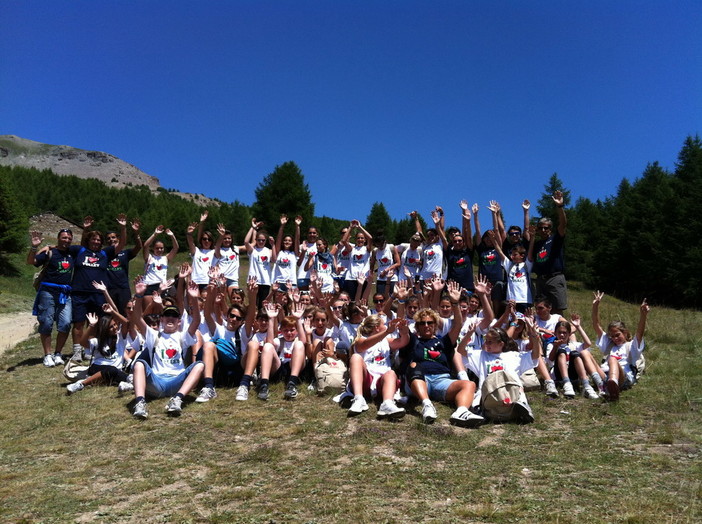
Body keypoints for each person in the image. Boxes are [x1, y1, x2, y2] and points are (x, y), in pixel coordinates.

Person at [399, 281, 484, 427]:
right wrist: (401, 301)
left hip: (441, 380)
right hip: (419, 380)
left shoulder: (443, 341)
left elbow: (457, 325)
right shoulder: (412, 340)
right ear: (417, 326)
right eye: (422, 323)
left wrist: (455, 303)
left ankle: (461, 411)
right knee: (413, 365)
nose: (426, 325)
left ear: (435, 325)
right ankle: (427, 405)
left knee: (469, 384)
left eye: (430, 322)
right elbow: (400, 324)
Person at [129, 277, 205, 419]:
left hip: (177, 381)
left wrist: (194, 299)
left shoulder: (183, 336)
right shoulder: (153, 335)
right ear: (161, 319)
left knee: (199, 365)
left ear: (179, 321)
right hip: (157, 381)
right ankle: (140, 403)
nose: (170, 318)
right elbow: (138, 318)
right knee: (139, 363)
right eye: (167, 315)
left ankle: (178, 399)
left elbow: (196, 321)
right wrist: (139, 295)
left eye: (174, 316)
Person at [68, 215, 125, 362]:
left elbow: (121, 244)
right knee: (79, 322)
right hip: (79, 292)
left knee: (95, 323)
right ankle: (76, 350)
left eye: (99, 240)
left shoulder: (105, 254)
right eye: (93, 239)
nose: (96, 241)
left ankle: (89, 349)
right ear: (89, 240)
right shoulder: (80, 251)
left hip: (97, 294)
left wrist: (123, 227)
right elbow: (62, 247)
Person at [460, 325, 541, 423]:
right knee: (482, 390)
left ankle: (522, 406)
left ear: (501, 344)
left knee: (518, 386)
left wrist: (534, 337)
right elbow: (460, 350)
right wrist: (469, 334)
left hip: (510, 393)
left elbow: (535, 356)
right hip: (489, 393)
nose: (486, 344)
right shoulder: (481, 355)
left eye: (490, 342)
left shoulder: (513, 356)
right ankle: (478, 410)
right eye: (486, 340)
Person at [27, 228, 75, 366]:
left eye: (69, 238)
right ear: (58, 238)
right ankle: (47, 355)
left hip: (65, 294)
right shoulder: (50, 253)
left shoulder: (72, 253)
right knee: (47, 323)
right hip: (47, 292)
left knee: (65, 323)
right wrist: (34, 247)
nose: (66, 240)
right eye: (64, 237)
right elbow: (32, 261)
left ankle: (58, 353)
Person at [346, 316, 408, 419]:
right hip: (366, 381)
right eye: (383, 324)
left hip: (382, 382)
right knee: (355, 357)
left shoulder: (386, 341)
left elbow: (403, 342)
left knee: (391, 373)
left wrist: (404, 331)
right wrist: (387, 331)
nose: (386, 326)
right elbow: (365, 344)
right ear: (376, 327)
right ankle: (358, 399)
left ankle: (387, 403)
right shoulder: (361, 340)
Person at [592, 292, 650, 401]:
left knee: (612, 359)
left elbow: (639, 333)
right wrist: (595, 306)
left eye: (618, 335)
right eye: (612, 336)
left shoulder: (630, 346)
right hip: (605, 375)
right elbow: (596, 325)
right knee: (586, 354)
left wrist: (643, 315)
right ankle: (599, 384)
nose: (615, 338)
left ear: (625, 333)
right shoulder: (609, 346)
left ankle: (613, 385)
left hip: (623, 377)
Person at [546, 315, 600, 399]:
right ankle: (566, 383)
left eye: (564, 333)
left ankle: (586, 385)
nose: (562, 335)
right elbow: (550, 362)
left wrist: (578, 327)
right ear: (555, 333)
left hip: (573, 374)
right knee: (561, 352)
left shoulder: (573, 345)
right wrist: (556, 347)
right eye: (559, 332)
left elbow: (588, 343)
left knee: (575, 354)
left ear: (569, 333)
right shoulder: (551, 345)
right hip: (559, 375)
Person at [532, 190, 568, 315]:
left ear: (550, 229)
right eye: (540, 227)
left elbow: (563, 224)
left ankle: (561, 334)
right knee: (541, 310)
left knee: (557, 311)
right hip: (540, 280)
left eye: (546, 227)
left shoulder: (555, 239)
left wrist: (559, 206)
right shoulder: (537, 244)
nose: (543, 230)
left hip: (554, 278)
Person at [489, 226, 536, 312]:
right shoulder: (509, 265)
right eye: (511, 254)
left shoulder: (526, 265)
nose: (511, 256)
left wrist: (532, 238)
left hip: (525, 300)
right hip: (511, 301)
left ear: (522, 256)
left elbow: (530, 252)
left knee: (524, 323)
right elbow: (500, 251)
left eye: (515, 255)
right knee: (511, 322)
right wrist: (493, 240)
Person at [105, 219, 141, 315]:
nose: (111, 240)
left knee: (125, 313)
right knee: (109, 315)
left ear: (118, 239)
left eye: (113, 237)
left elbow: (138, 247)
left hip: (123, 288)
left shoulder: (125, 253)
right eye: (108, 238)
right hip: (109, 289)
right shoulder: (104, 254)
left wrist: (136, 233)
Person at [142, 225, 179, 309]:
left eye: (161, 248)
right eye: (157, 248)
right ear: (153, 248)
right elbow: (145, 246)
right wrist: (155, 234)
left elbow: (176, 248)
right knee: (148, 310)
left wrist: (172, 236)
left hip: (162, 286)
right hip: (149, 285)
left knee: (160, 310)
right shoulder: (149, 258)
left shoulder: (165, 258)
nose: (159, 250)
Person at [445, 200, 475, 294]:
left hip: (468, 287)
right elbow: (442, 237)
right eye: (455, 241)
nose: (457, 242)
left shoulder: (468, 252)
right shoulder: (449, 252)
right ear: (452, 242)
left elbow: (468, 236)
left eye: (459, 241)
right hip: (453, 288)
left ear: (463, 242)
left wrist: (467, 220)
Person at [186, 210, 216, 287]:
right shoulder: (196, 251)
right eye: (204, 239)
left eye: (209, 239)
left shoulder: (214, 252)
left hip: (209, 282)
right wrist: (189, 234)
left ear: (212, 241)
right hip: (195, 282)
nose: (207, 241)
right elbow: (190, 242)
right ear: (201, 240)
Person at [214, 222, 247, 291]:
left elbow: (250, 245)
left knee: (235, 299)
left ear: (232, 240)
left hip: (233, 279)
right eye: (225, 238)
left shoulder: (236, 248)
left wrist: (253, 229)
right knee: (221, 300)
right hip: (221, 278)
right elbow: (217, 245)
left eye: (229, 238)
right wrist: (221, 235)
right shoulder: (219, 250)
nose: (227, 240)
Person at [272, 215, 300, 290]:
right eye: (285, 240)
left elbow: (297, 240)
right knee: (277, 302)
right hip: (278, 283)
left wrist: (297, 226)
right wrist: (282, 225)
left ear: (292, 243)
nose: (287, 242)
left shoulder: (294, 253)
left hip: (291, 283)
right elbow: (278, 239)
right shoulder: (279, 252)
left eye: (289, 240)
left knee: (291, 302)